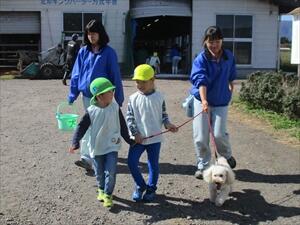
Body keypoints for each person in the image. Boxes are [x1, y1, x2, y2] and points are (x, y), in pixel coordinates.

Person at [67, 19, 124, 173]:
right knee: (89, 125)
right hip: (87, 97)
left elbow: (115, 75)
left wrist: (118, 98)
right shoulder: (83, 51)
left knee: (102, 126)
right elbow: (76, 73)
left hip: (104, 97)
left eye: (94, 33)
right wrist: (73, 93)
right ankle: (86, 158)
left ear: (101, 34)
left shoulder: (109, 53)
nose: (91, 36)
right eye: (89, 33)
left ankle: (103, 152)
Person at [69, 77, 134, 208]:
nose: (112, 93)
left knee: (111, 171)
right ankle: (101, 189)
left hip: (112, 145)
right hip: (97, 147)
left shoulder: (115, 108)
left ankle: (108, 194)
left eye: (112, 90)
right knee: (99, 172)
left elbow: (122, 125)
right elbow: (81, 127)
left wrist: (129, 140)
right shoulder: (91, 111)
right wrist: (75, 142)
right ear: (99, 96)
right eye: (109, 91)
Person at [189, 26, 237, 179]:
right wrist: (203, 101)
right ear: (205, 42)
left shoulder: (228, 56)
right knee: (201, 136)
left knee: (218, 134)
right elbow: (200, 81)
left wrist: (230, 86)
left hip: (221, 100)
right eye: (210, 42)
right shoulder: (201, 59)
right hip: (201, 100)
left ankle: (227, 156)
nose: (214, 45)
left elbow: (231, 74)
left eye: (216, 41)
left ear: (222, 41)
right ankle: (203, 165)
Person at [126, 64, 178, 202]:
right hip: (138, 139)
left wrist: (168, 124)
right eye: (137, 81)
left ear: (152, 80)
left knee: (153, 164)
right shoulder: (132, 98)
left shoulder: (159, 97)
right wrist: (135, 133)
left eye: (143, 81)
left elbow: (163, 115)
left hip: (155, 139)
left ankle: (151, 188)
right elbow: (129, 118)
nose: (140, 84)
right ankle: (140, 185)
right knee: (131, 162)